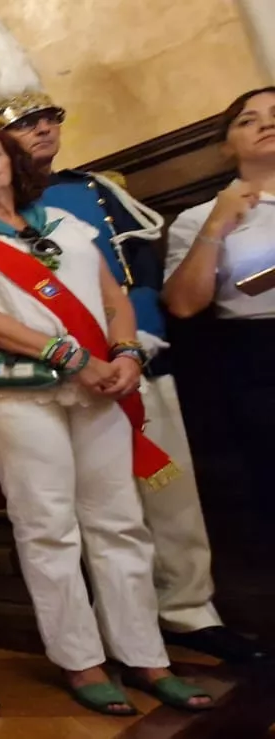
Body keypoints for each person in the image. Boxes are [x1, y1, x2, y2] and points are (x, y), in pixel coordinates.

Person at [0, 16, 265, 664]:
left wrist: (137, 346)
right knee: (85, 511)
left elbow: (137, 276)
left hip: (140, 359)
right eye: (24, 122)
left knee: (172, 498)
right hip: (60, 377)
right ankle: (109, 632)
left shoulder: (97, 189)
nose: (42, 128)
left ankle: (187, 609)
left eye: (49, 116)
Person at [0, 128, 212, 716]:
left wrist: (128, 352)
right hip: (15, 396)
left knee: (119, 522)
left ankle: (146, 656)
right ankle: (80, 660)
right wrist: (73, 357)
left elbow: (115, 298)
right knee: (48, 526)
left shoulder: (67, 224)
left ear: (13, 164)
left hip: (99, 385)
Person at [164, 86, 275, 523]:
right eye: (248, 119)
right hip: (260, 357)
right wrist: (216, 226)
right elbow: (185, 303)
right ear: (228, 145)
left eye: (274, 113)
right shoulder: (204, 215)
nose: (267, 123)